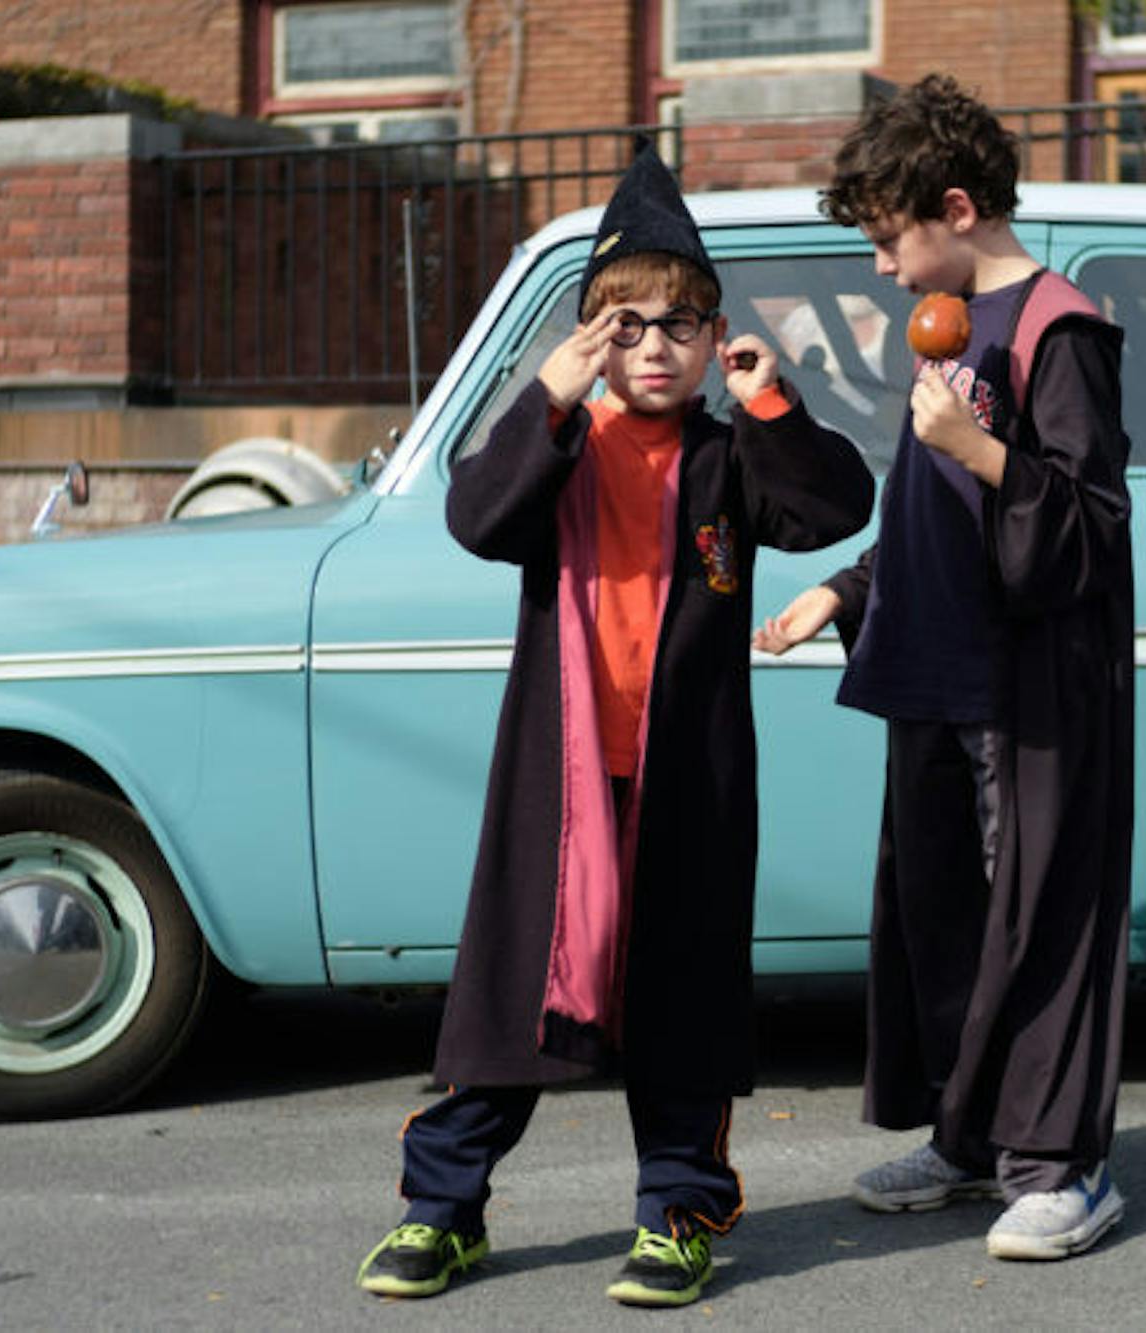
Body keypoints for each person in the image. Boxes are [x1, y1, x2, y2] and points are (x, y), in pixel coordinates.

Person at [356, 138, 874, 1307]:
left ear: (712, 335)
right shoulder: (560, 448)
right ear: (592, 338)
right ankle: (441, 1211)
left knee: (683, 1005)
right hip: (559, 783)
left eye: (678, 325)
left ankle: (677, 1217)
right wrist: (547, 392)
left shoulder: (729, 455)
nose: (652, 347)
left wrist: (770, 398)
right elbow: (476, 517)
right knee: (512, 1003)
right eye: (624, 325)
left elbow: (832, 506)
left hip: (689, 779)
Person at [755, 74, 1136, 1262]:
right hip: (934, 672)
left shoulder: (1056, 329)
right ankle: (968, 1140)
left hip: (1023, 688)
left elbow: (1089, 526)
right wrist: (843, 588)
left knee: (1040, 918)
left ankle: (1061, 1168)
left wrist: (974, 444)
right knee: (944, 921)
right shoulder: (946, 320)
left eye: (888, 239)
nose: (880, 267)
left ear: (956, 208)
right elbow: (931, 509)